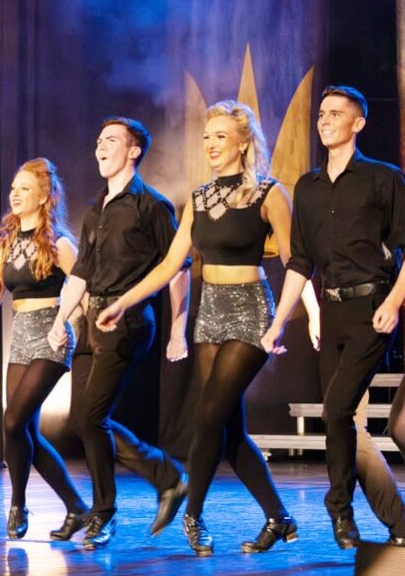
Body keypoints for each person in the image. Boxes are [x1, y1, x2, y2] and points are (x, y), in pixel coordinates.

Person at [97, 102, 318, 555]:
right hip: (210, 311)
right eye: (206, 136)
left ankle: (193, 516)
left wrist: (294, 318)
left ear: (242, 142)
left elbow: (299, 261)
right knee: (229, 430)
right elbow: (168, 265)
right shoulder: (198, 198)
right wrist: (123, 301)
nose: (211, 144)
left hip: (251, 312)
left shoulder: (269, 193)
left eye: (220, 135)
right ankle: (280, 517)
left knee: (206, 415)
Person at [262, 86, 405, 549]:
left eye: (335, 113)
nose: (324, 120)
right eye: (321, 113)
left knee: (338, 408)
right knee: (339, 419)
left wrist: (393, 303)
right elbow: (300, 262)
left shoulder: (385, 178)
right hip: (333, 311)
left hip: (373, 309)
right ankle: (377, 519)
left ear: (358, 123)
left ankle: (338, 508)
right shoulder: (307, 186)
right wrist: (279, 321)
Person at [46, 118, 190, 550]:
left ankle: (104, 514)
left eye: (110, 140)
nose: (100, 147)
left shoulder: (152, 206)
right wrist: (60, 320)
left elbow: (178, 268)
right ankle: (165, 476)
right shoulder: (96, 209)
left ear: (133, 151)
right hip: (91, 321)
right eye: (98, 140)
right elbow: (82, 274)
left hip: (128, 321)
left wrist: (178, 328)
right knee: (84, 421)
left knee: (91, 420)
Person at [0, 158, 89, 540]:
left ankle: (18, 505)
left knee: (12, 422)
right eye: (13, 189)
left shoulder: (60, 243)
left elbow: (82, 289)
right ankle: (76, 509)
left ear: (44, 196)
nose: (15, 194)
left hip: (52, 335)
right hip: (20, 335)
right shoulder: (5, 244)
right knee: (25, 431)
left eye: (24, 188)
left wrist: (74, 330)